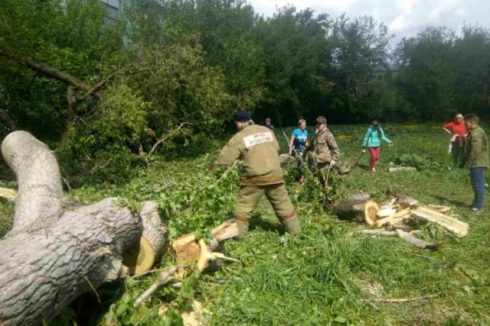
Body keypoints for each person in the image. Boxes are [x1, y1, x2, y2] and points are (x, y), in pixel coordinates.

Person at [213, 110, 301, 238]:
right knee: (283, 204)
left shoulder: (239, 137)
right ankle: (296, 232)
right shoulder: (267, 131)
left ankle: (239, 235)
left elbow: (224, 159)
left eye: (236, 123)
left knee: (244, 206)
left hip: (255, 178)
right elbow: (276, 149)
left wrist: (215, 174)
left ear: (239, 123)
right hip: (275, 175)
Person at [464, 113, 488, 214]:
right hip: (478, 162)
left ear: (471, 122)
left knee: (478, 184)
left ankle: (479, 207)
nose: (465, 125)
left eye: (466, 123)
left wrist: (469, 162)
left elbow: (475, 150)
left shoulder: (476, 133)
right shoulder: (474, 132)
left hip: (478, 162)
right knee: (477, 184)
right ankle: (476, 204)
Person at [306, 116, 340, 189]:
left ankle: (331, 198)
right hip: (318, 162)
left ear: (324, 124)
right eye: (317, 123)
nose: (317, 125)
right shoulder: (317, 135)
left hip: (325, 162)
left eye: (319, 124)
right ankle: (324, 198)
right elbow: (311, 145)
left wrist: (334, 159)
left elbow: (335, 148)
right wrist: (303, 152)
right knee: (321, 181)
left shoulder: (328, 134)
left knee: (326, 181)